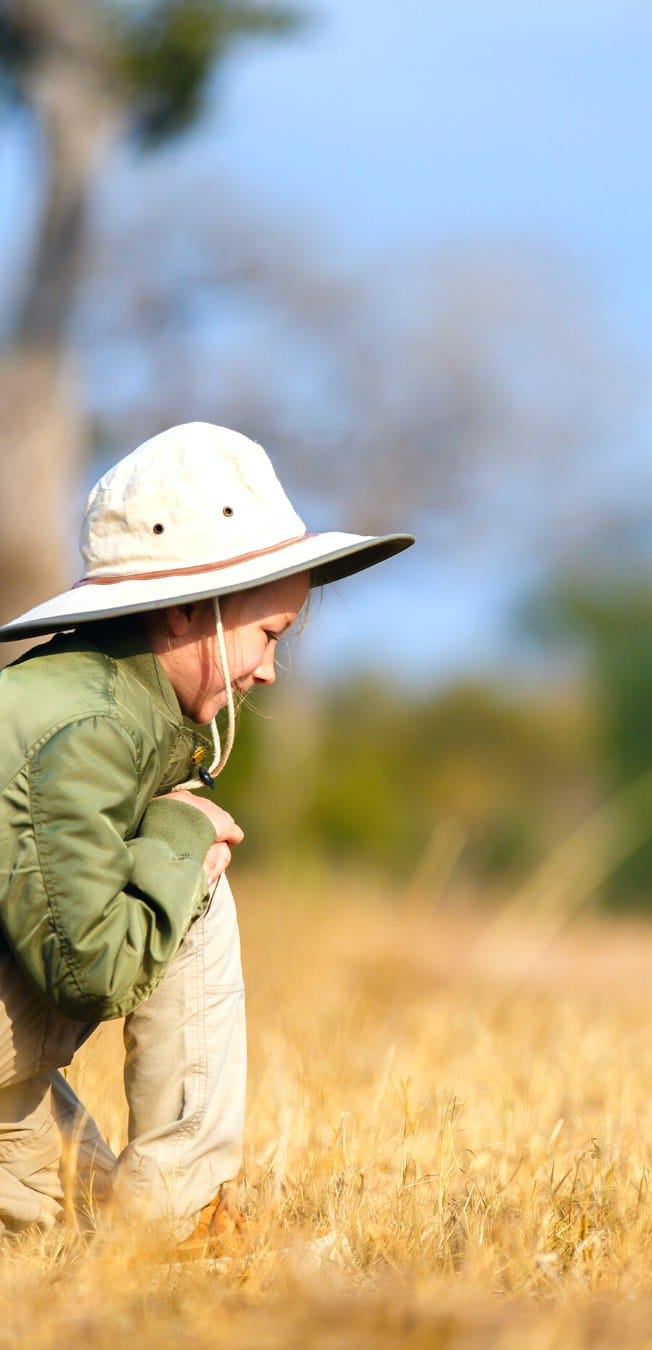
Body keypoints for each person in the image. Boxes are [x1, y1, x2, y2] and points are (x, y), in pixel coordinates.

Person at [0, 421, 413, 1248]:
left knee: (64, 1241)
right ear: (189, 608)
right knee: (197, 881)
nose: (267, 670)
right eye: (269, 637)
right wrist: (184, 834)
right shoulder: (83, 729)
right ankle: (177, 1213)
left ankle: (152, 1236)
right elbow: (87, 968)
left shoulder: (93, 698)